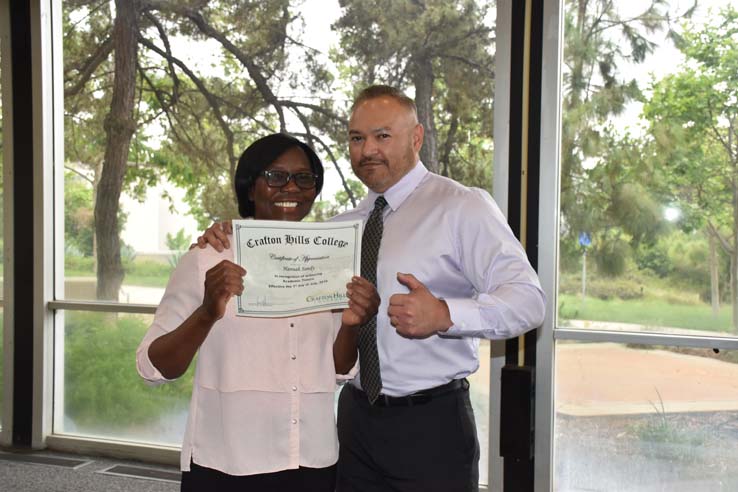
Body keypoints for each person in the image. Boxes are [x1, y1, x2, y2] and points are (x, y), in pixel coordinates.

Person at [195, 86, 546, 492]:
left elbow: (529, 301)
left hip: (431, 425)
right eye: (357, 138)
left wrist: (446, 315)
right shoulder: (344, 228)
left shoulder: (461, 207)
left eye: (382, 136)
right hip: (354, 421)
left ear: (416, 138)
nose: (367, 151)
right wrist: (225, 234)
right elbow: (274, 258)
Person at [136, 133, 379, 492]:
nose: (291, 187)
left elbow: (340, 369)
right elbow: (153, 367)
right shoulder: (208, 258)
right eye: (275, 176)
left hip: (311, 460)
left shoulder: (329, 260)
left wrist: (351, 325)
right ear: (250, 187)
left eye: (303, 178)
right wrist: (206, 311)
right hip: (228, 461)